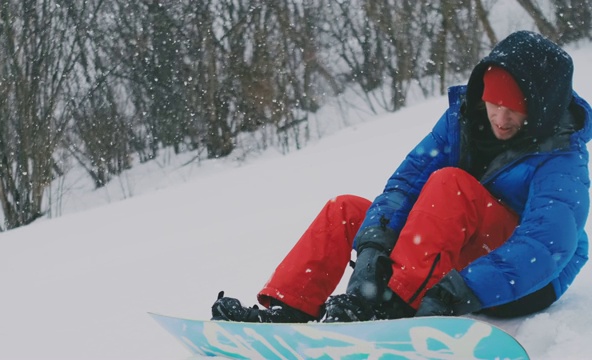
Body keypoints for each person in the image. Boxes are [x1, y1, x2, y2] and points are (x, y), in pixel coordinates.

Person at [211, 30, 592, 323]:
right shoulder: (461, 122)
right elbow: (405, 184)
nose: (500, 118)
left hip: (522, 281)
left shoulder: (563, 156)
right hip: (446, 251)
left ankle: (392, 306)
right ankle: (290, 309)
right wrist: (374, 248)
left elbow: (546, 247)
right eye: (494, 103)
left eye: (515, 109)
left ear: (540, 108)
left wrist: (458, 289)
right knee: (349, 212)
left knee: (450, 185)